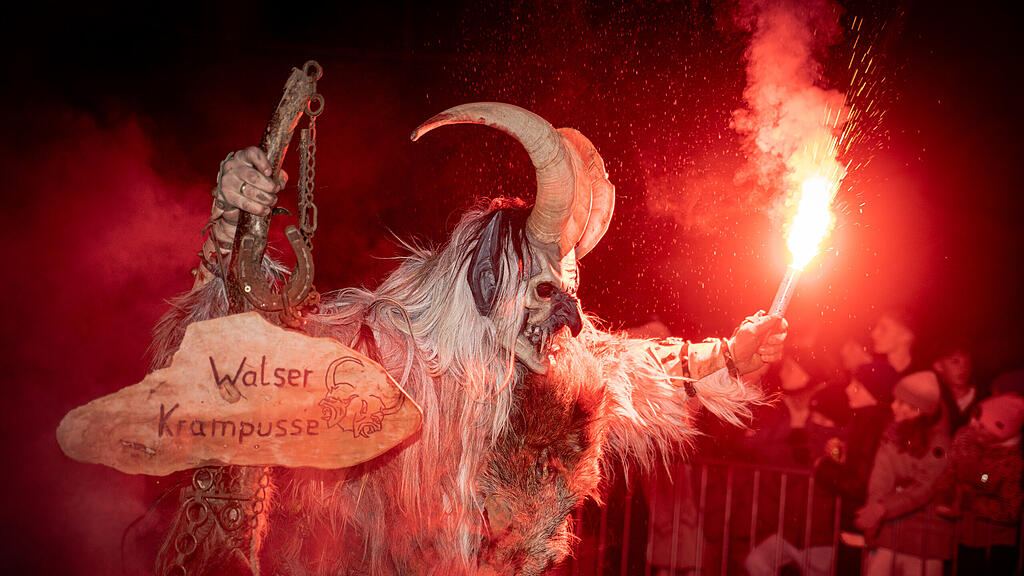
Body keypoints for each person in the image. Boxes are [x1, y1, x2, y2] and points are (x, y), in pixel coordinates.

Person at [149, 103, 788, 575]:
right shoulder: (391, 349)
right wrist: (232, 228)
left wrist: (732, 354)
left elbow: (645, 370)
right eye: (536, 289)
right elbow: (251, 340)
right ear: (489, 285)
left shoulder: (559, 376)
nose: (563, 317)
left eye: (562, 291)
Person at [743, 384, 850, 576]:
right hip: (790, 534)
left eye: (823, 419)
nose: (816, 422)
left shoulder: (836, 448)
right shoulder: (802, 442)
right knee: (756, 562)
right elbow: (771, 453)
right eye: (814, 416)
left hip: (821, 540)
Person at [855, 371, 954, 576]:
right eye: (895, 400)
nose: (893, 407)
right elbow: (880, 480)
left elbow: (925, 487)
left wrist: (882, 508)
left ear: (919, 409)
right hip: (889, 535)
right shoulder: (892, 436)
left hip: (925, 542)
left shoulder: (940, 445)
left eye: (901, 403)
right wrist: (873, 518)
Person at [935, 393, 1024, 575]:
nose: (974, 429)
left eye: (983, 428)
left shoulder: (1012, 461)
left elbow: (1011, 510)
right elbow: (951, 470)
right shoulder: (965, 438)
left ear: (1002, 431)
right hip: (964, 535)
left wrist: (974, 496)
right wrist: (945, 496)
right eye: (975, 422)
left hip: (995, 543)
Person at [931, 340, 985, 432]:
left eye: (967, 362)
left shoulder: (984, 397)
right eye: (955, 362)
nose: (963, 368)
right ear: (938, 366)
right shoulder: (934, 400)